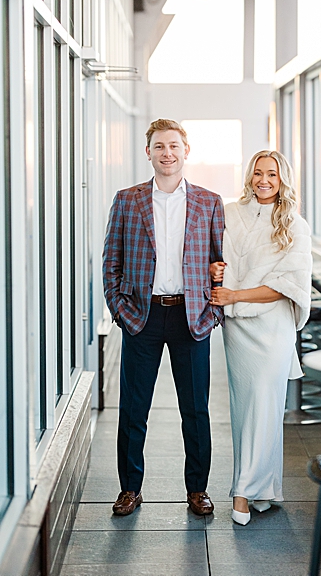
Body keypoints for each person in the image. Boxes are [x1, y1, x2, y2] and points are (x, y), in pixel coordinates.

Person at [102, 118, 224, 518]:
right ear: (148, 152)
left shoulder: (208, 201)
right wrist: (121, 311)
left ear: (186, 150)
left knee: (195, 410)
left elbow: (222, 263)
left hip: (191, 318)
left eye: (174, 145)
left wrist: (212, 312)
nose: (167, 153)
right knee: (134, 410)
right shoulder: (127, 200)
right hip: (143, 317)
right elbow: (111, 262)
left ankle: (198, 489)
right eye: (159, 146)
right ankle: (130, 489)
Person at [208, 150, 312, 526]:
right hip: (238, 329)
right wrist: (216, 268)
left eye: (271, 174)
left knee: (265, 406)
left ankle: (242, 490)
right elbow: (217, 257)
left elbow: (288, 286)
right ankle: (265, 489)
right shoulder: (230, 213)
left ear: (283, 178)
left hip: (273, 327)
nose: (263, 180)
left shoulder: (295, 225)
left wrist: (234, 295)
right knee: (245, 408)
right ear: (249, 176)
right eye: (257, 173)